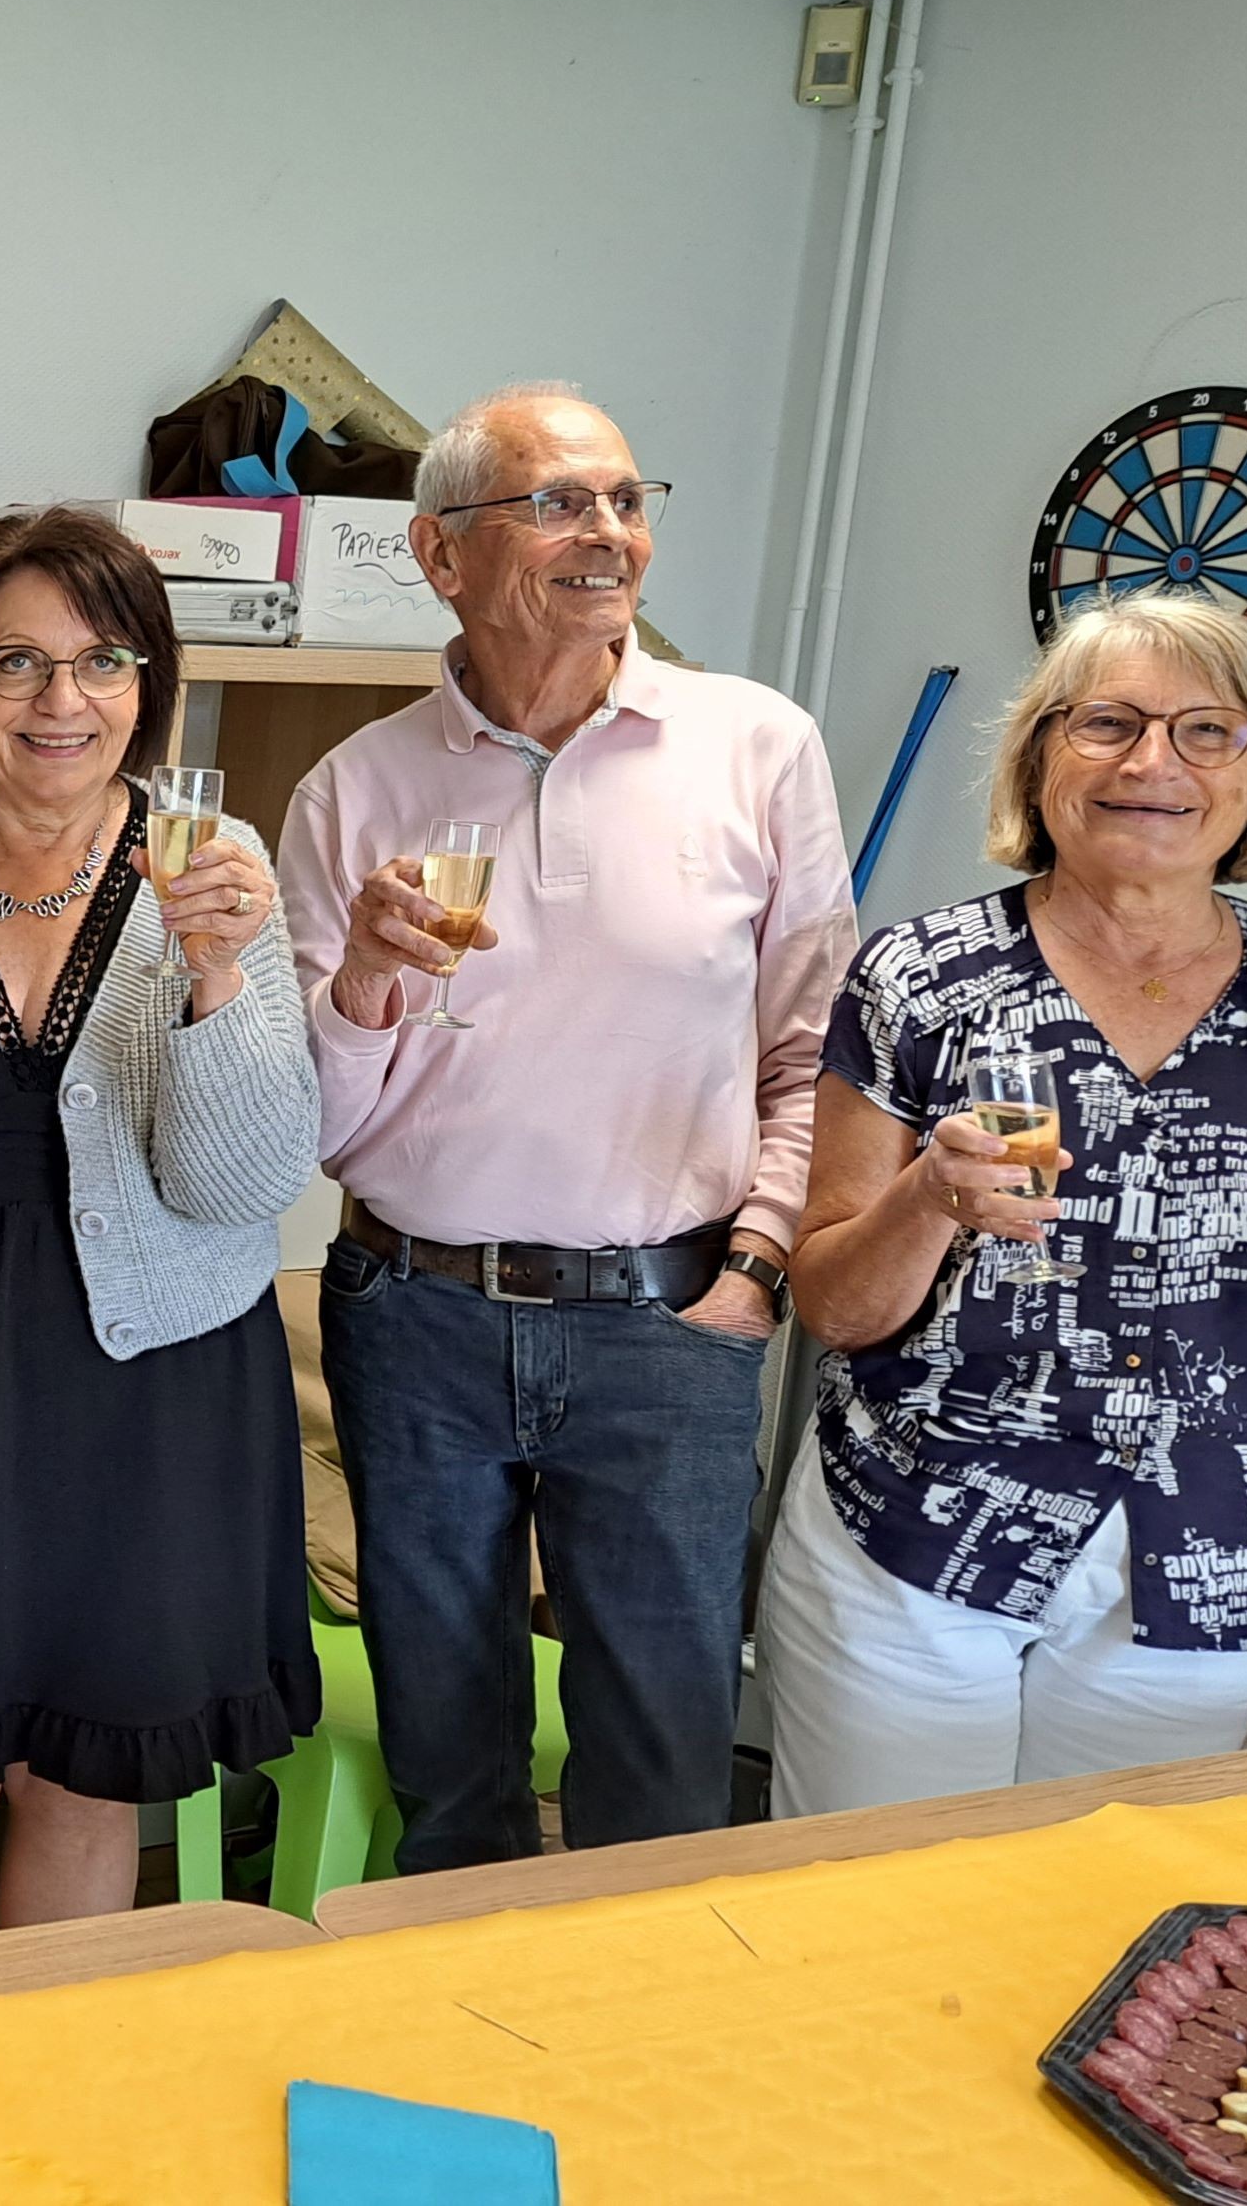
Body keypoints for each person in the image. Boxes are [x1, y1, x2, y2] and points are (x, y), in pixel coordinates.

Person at [281, 383, 856, 1870]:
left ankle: (636, 2023)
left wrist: (760, 1263)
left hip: (671, 1319)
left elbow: (817, 1050)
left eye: (625, 500)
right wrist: (363, 982)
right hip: (415, 1316)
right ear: (441, 555)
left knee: (662, 1774)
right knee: (444, 1766)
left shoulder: (756, 744)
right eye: (556, 503)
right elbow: (315, 1130)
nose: (606, 532)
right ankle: (459, 2014)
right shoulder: (354, 786)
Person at [763, 592, 1247, 1811]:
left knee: (1117, 1910)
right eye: (1106, 723)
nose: (1150, 764)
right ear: (1040, 757)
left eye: (1206, 731)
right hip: (915, 1549)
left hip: (1212, 1573)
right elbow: (835, 1311)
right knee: (877, 1902)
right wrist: (926, 1199)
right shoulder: (919, 978)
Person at [0, 506, 322, 1938]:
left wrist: (217, 978)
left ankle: (38, 2079)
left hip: (146, 1382)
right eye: (16, 661)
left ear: (148, 683)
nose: (59, 701)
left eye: (100, 662)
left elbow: (243, 1182)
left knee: (85, 1784)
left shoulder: (216, 867)